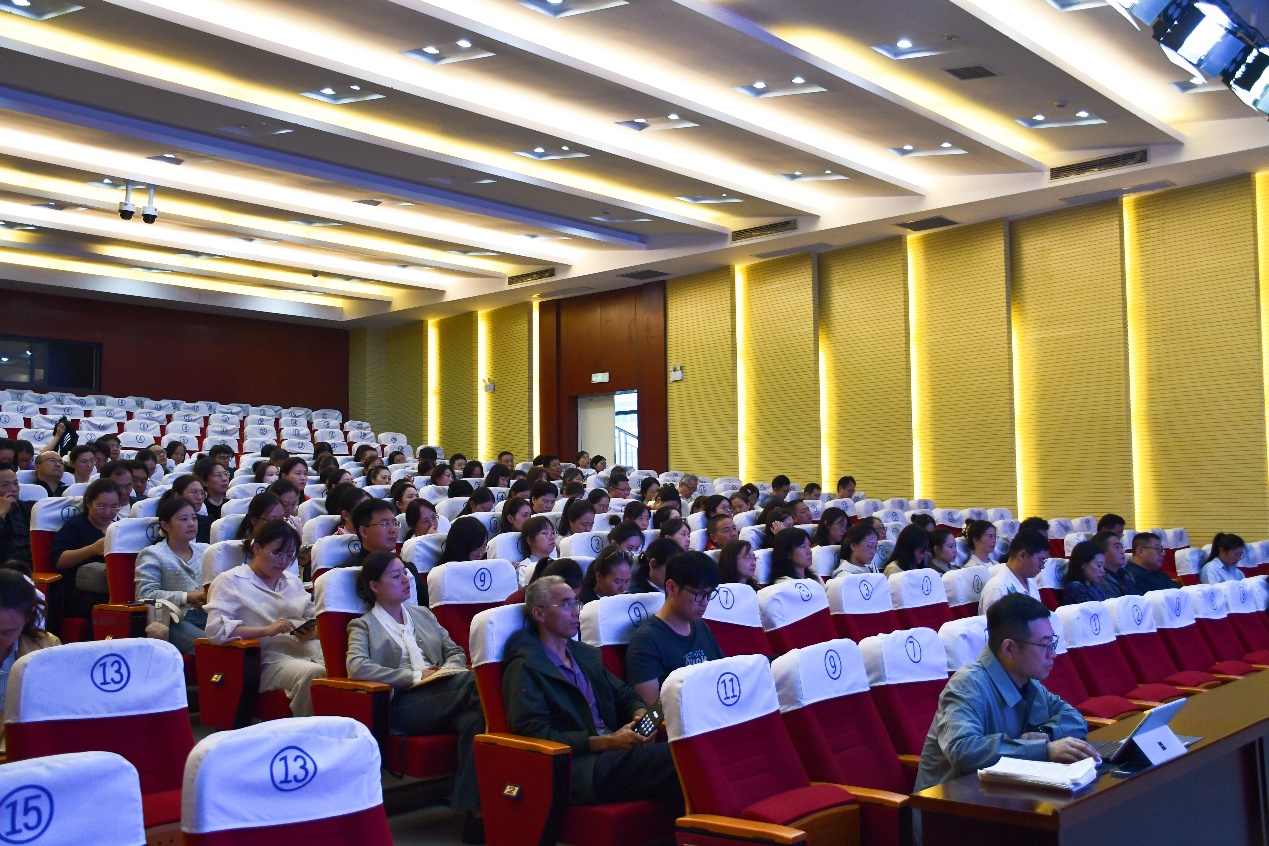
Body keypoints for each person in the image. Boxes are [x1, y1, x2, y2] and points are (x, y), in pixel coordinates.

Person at [503, 576, 680, 807]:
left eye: (576, 603)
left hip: (611, 750)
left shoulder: (583, 655)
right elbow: (536, 734)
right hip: (580, 765)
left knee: (687, 753)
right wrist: (607, 742)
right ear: (539, 614)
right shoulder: (525, 667)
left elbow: (624, 693)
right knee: (679, 758)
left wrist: (640, 716)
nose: (576, 612)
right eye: (566, 605)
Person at [347, 552, 485, 843]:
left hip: (445, 691)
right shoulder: (363, 625)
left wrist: (446, 671)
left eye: (405, 573)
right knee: (479, 685)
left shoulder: (423, 615)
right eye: (395, 575)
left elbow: (455, 652)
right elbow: (357, 667)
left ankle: (475, 817)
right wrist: (413, 677)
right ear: (374, 586)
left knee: (476, 719)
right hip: (405, 703)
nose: (405, 579)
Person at [913, 593, 1096, 797]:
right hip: (949, 804)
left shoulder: (1029, 683)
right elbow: (963, 750)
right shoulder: (967, 685)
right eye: (1044, 645)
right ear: (1009, 648)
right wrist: (1042, 749)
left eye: (1052, 643)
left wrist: (1045, 736)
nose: (1052, 654)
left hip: (1001, 795)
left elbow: (1074, 719)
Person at [205, 519, 324, 716]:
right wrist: (267, 630)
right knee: (314, 674)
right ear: (257, 548)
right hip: (267, 658)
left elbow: (313, 617)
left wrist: (313, 632)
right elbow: (216, 630)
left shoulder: (292, 582)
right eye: (277, 553)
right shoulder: (230, 581)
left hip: (306, 648)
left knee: (346, 666)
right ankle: (305, 729)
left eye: (289, 556)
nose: (283, 561)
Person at [626, 551, 724, 706]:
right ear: (671, 588)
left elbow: (721, 674)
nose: (705, 602)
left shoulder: (701, 627)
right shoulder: (646, 641)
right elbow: (653, 710)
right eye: (699, 594)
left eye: (709, 594)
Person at [135, 496, 209, 654]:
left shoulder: (206, 551)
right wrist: (188, 596)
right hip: (174, 619)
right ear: (165, 525)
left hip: (209, 614)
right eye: (183, 519)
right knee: (211, 646)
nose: (191, 523)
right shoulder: (153, 554)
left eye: (194, 518)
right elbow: (145, 594)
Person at [50, 478, 121, 633]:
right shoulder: (76, 526)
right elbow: (58, 560)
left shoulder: (119, 527)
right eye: (101, 506)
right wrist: (91, 549)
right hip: (80, 592)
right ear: (88, 502)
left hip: (113, 586)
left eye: (114, 506)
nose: (108, 512)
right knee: (109, 604)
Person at [0, 566, 59, 739]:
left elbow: (54, 710)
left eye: (7, 632)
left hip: (27, 744)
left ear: (27, 618)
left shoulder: (46, 648)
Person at [979, 530, 1047, 614]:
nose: (1042, 566)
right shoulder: (998, 589)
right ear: (1022, 555)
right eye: (1041, 560)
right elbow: (993, 622)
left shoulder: (1031, 580)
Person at [0, 466, 33, 567]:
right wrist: (2, 512)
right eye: (5, 485)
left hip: (34, 563)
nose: (13, 489)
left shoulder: (31, 508)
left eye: (15, 483)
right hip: (6, 568)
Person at [1061, 541, 1109, 605]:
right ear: (1083, 564)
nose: (1103, 571)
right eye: (1099, 565)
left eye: (1103, 566)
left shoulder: (1097, 587)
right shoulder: (1075, 587)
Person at [167, 475, 211, 543]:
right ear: (177, 496)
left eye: (202, 493)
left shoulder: (208, 522)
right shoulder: (169, 522)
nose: (200, 497)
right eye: (194, 492)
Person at [1091, 531, 1133, 598]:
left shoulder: (1126, 574)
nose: (1122, 551)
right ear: (1102, 552)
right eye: (1117, 547)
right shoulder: (1100, 580)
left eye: (1121, 547)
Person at [517, 516, 557, 585]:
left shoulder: (557, 564)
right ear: (530, 540)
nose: (552, 537)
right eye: (545, 533)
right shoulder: (524, 568)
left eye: (553, 533)